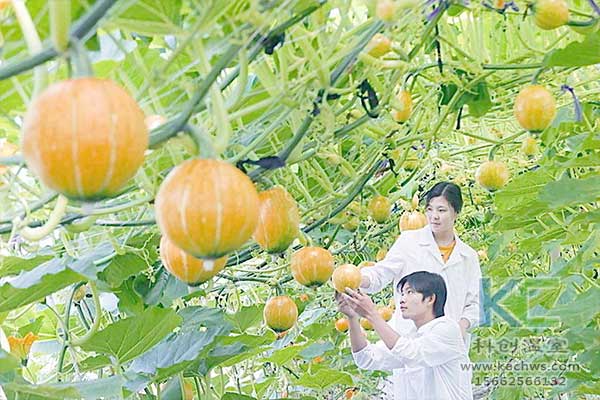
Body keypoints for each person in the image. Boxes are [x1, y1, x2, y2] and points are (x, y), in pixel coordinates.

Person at [360, 181, 483, 342]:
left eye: (441, 210)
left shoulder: (468, 256)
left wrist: (462, 325)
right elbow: (380, 274)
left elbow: (477, 303)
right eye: (430, 209)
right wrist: (358, 278)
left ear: (456, 213)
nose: (434, 216)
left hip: (450, 345)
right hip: (410, 341)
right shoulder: (408, 241)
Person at [338, 271, 473, 400]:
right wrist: (352, 318)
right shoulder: (411, 337)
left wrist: (372, 314)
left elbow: (411, 353)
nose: (402, 299)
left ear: (430, 299)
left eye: (410, 292)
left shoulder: (447, 330)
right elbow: (366, 358)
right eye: (402, 294)